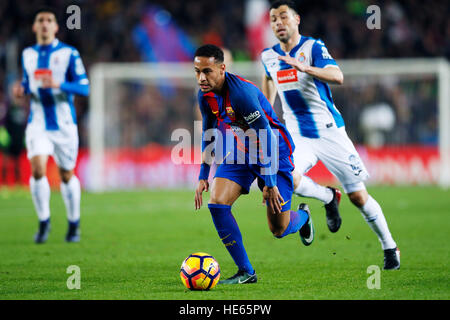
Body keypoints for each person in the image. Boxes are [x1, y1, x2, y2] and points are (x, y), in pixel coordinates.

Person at [261, 0, 400, 270]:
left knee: (358, 197)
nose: (279, 22)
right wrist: (267, 114)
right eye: (274, 19)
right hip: (296, 136)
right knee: (287, 176)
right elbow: (269, 78)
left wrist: (306, 69)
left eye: (283, 17)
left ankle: (389, 246)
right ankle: (327, 197)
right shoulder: (269, 56)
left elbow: (338, 76)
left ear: (297, 19)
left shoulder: (313, 47)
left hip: (329, 133)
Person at [194, 44, 314, 284]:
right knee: (217, 201)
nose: (201, 78)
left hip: (275, 153)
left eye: (207, 71)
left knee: (278, 229)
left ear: (222, 69)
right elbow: (208, 132)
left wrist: (269, 181)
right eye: (197, 71)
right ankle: (246, 272)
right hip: (243, 152)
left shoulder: (242, 94)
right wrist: (203, 175)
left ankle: (302, 217)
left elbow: (267, 135)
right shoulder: (204, 95)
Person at [12, 7, 89, 243]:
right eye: (40, 21)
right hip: (38, 123)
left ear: (55, 27)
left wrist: (59, 84)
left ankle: (73, 224)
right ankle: (44, 222)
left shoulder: (69, 54)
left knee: (67, 175)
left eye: (49, 20)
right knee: (37, 170)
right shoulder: (27, 54)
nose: (44, 24)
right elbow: (27, 82)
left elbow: (84, 87)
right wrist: (22, 89)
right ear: (35, 27)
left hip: (65, 124)